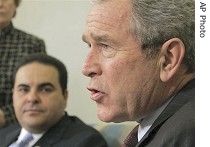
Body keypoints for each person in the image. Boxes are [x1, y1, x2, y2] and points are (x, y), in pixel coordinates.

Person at [81, 0, 195, 146]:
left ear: (167, 60)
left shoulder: (187, 134)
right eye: (89, 45)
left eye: (105, 46)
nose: (86, 68)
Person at [0, 54, 108, 147]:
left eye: (45, 89)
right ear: (13, 94)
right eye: (23, 89)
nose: (32, 98)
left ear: (64, 97)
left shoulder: (86, 142)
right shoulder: (3, 134)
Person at [0, 0, 46, 128]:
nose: (0, 4)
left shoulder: (32, 44)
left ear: (15, 4)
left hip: (14, 126)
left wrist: (5, 116)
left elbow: (40, 93)